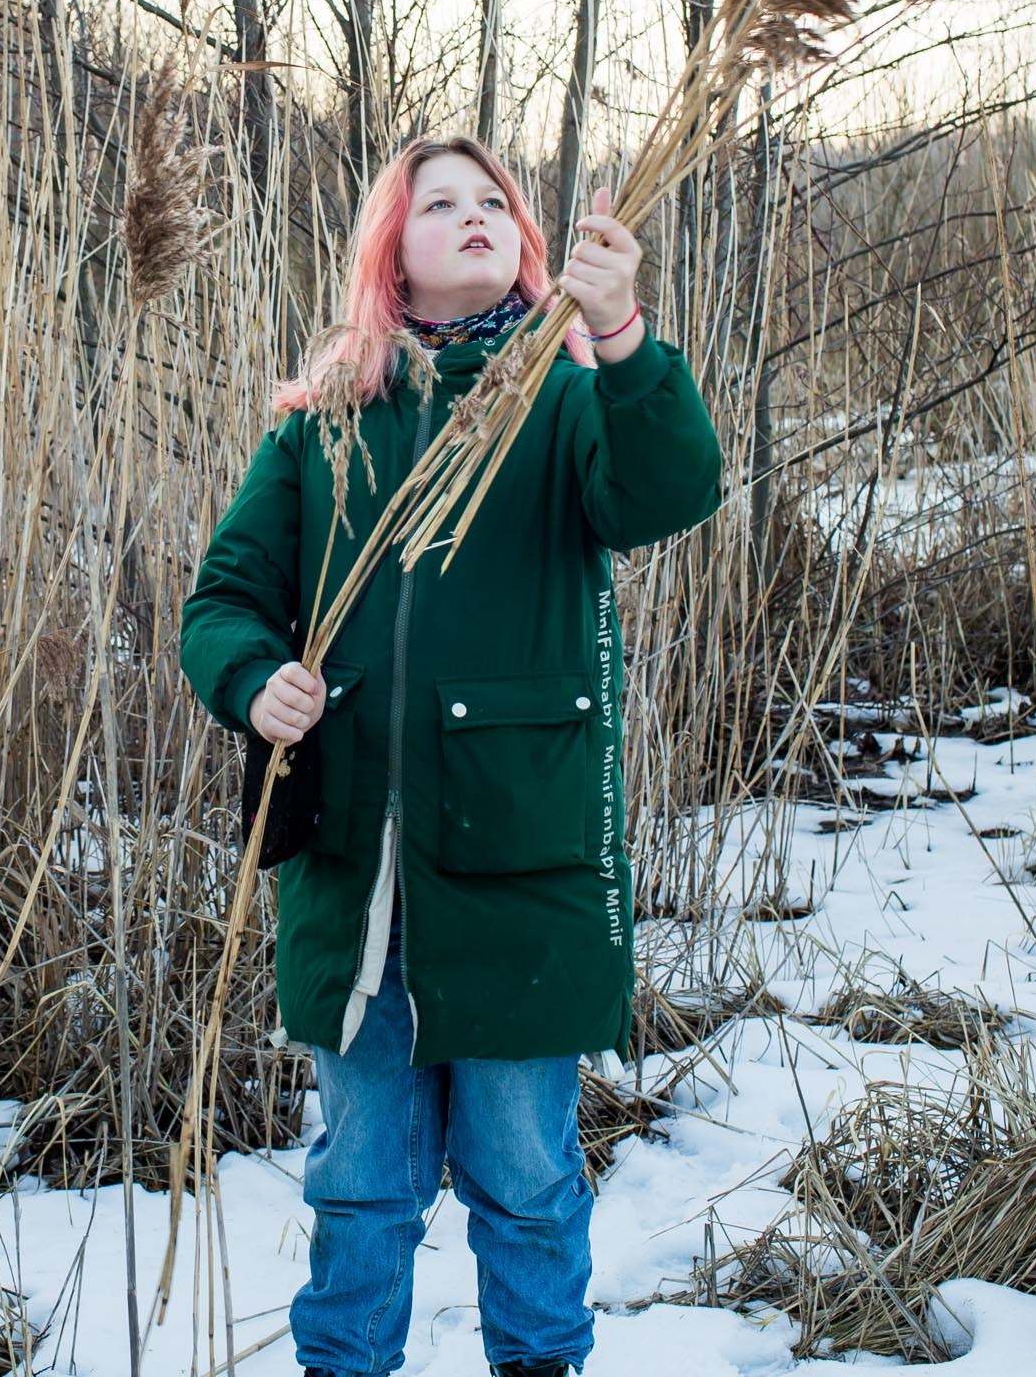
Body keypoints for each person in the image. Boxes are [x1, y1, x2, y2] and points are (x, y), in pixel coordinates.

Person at [180, 134, 723, 1377]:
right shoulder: (324, 426)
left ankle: (538, 1362)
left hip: (518, 861)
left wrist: (621, 331)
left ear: (524, 243)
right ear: (393, 248)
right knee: (360, 1182)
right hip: (353, 877)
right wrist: (255, 679)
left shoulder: (565, 399)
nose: (472, 214)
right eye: (438, 202)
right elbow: (223, 598)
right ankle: (343, 1364)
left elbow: (670, 489)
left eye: (493, 200)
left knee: (526, 1178)